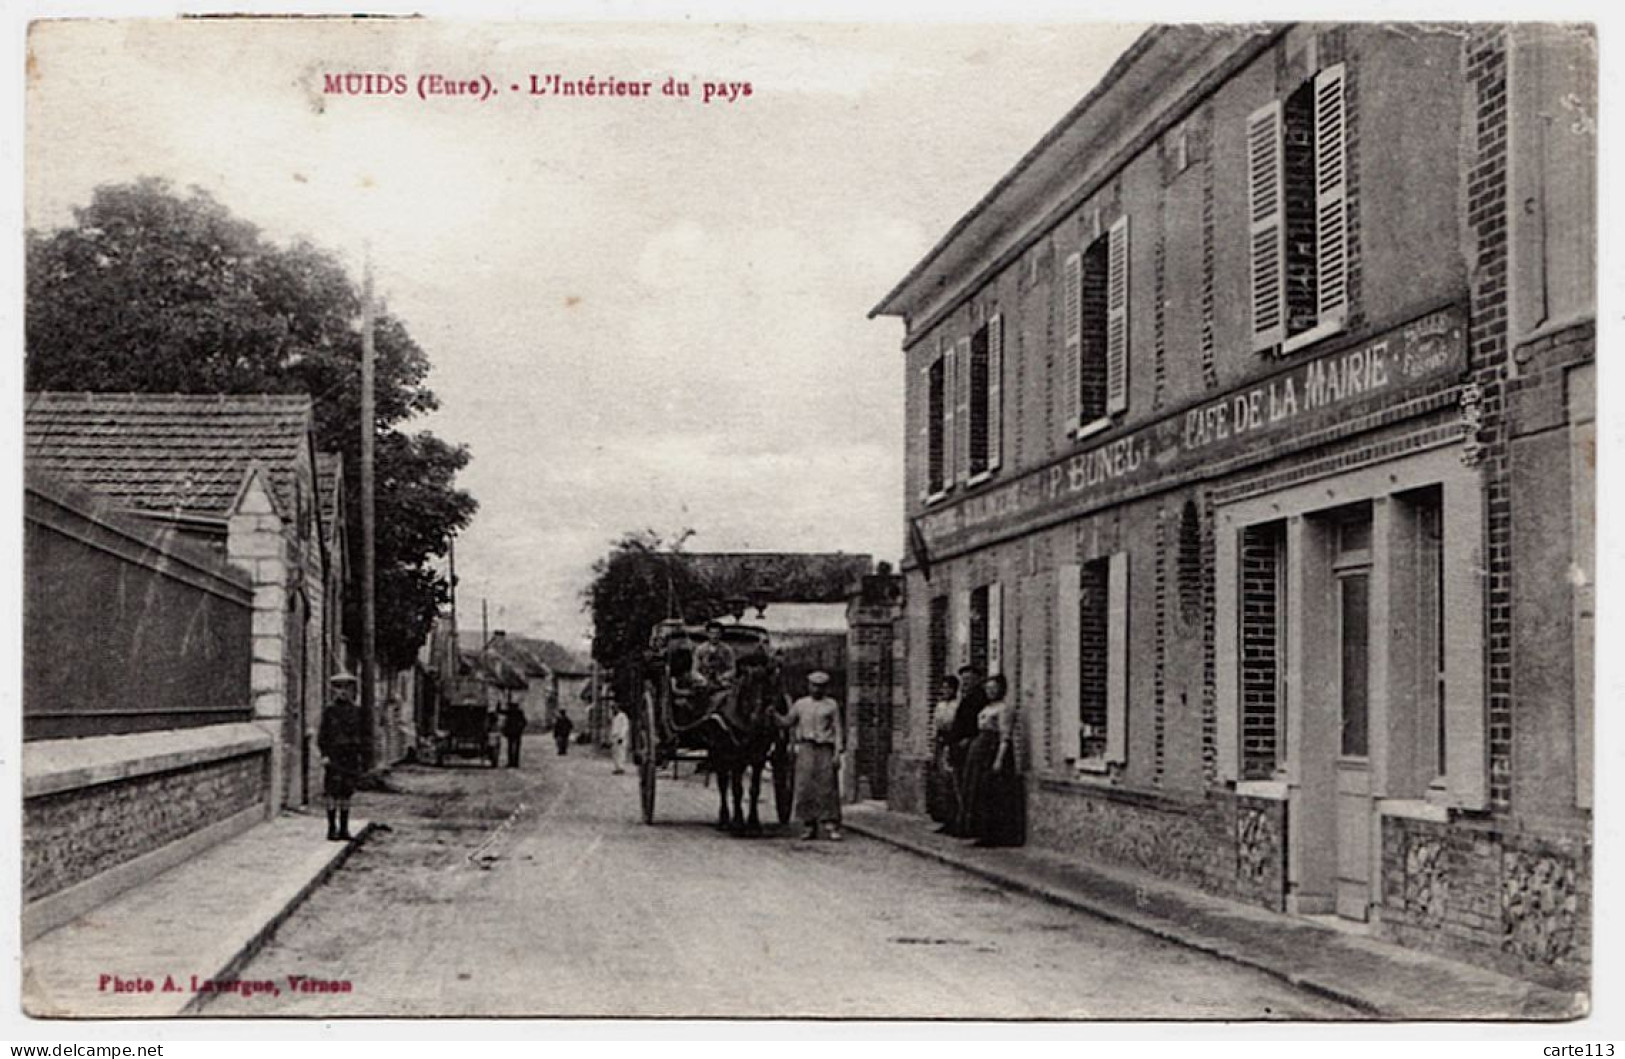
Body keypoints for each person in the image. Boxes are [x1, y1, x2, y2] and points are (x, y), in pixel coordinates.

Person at [777, 670, 845, 840]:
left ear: (826, 688)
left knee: (827, 786)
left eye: (820, 686)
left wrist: (837, 753)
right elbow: (787, 722)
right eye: (814, 685)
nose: (817, 689)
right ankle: (808, 825)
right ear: (808, 686)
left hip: (825, 748)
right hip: (806, 747)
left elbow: (838, 729)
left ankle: (831, 825)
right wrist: (774, 715)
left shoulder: (831, 705)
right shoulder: (801, 704)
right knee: (805, 786)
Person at [960, 674, 1023, 847]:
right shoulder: (987, 707)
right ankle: (980, 831)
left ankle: (996, 835)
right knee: (976, 791)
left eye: (994, 688)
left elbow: (1005, 736)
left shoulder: (1005, 709)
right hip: (979, 752)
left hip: (992, 751)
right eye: (988, 689)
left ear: (1001, 689)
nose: (990, 692)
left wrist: (999, 760)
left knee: (992, 792)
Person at [318, 670, 365, 842]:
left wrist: (361, 756)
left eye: (347, 688)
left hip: (350, 756)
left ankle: (344, 829)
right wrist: (324, 755)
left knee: (347, 792)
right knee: (332, 791)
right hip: (334, 755)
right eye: (339, 688)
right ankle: (332, 828)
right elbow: (323, 735)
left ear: (352, 691)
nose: (343, 692)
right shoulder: (329, 711)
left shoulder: (356, 711)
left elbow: (363, 734)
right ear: (334, 690)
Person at [947, 663, 988, 837]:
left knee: (968, 787)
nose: (966, 683)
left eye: (970, 679)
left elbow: (976, 725)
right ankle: (960, 823)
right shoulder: (965, 698)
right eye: (964, 679)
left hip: (968, 747)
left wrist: (967, 740)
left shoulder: (979, 699)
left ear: (978, 680)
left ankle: (968, 826)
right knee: (959, 786)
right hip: (958, 747)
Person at [930, 674, 961, 833]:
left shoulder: (958, 705)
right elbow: (935, 728)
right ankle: (946, 819)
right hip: (941, 744)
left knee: (953, 782)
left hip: (952, 743)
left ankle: (957, 819)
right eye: (943, 688)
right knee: (943, 783)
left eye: (949, 688)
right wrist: (934, 749)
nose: (945, 691)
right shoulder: (940, 706)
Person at [501, 702, 528, 768]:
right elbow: (524, 722)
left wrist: (499, 703)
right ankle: (515, 763)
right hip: (516, 732)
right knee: (516, 748)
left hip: (512, 732)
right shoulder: (519, 712)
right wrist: (521, 728)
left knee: (511, 747)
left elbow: (500, 711)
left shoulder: (510, 712)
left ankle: (511, 762)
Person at [609, 702, 630, 775]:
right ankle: (617, 767)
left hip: (620, 736)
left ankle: (621, 767)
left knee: (620, 752)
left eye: (614, 708)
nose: (613, 710)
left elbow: (625, 727)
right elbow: (613, 728)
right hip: (615, 736)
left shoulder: (622, 716)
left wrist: (621, 736)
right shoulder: (614, 717)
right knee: (615, 753)